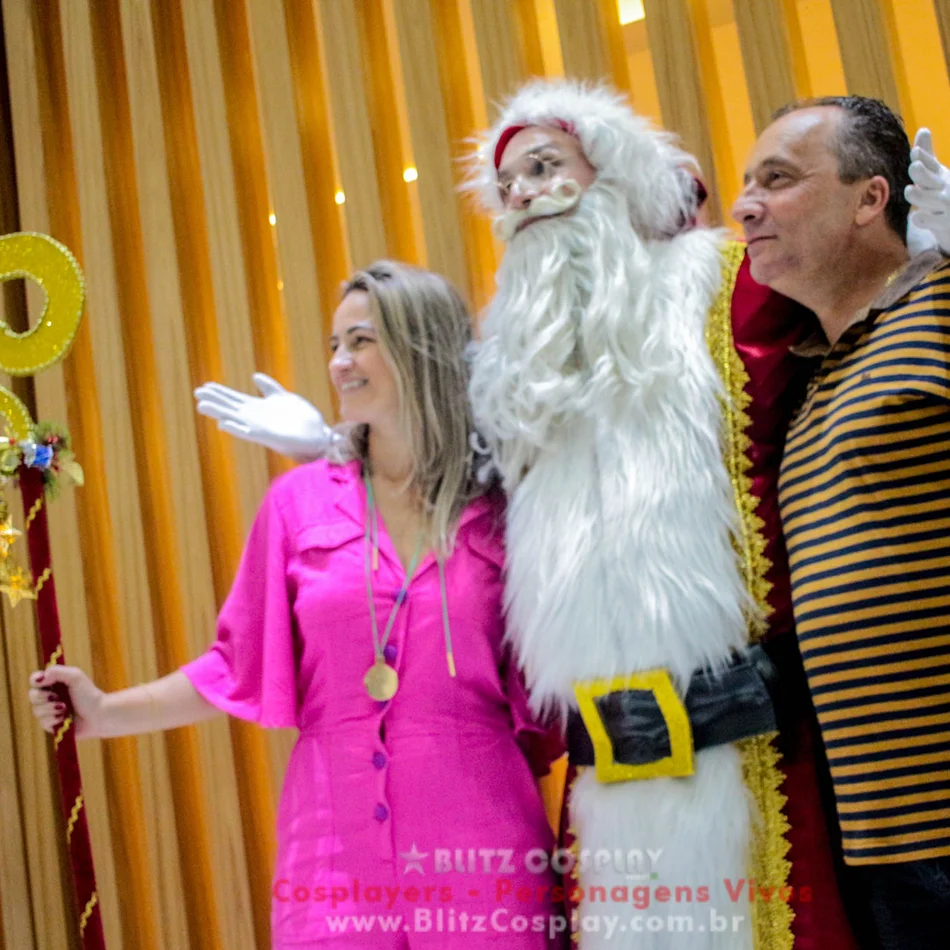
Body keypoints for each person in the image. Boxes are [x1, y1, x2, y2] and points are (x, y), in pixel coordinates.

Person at [191, 81, 950, 950]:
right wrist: (334, 442)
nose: (520, 196)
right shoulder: (513, 370)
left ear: (614, 174)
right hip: (604, 776)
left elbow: (857, 297)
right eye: (506, 184)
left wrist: (931, 256)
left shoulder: (723, 290)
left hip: (756, 757)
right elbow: (442, 476)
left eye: (545, 168)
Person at [29, 261, 567, 949]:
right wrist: (102, 713)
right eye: (334, 345)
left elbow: (562, 673)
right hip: (330, 847)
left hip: (481, 840)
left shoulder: (507, 508)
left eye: (362, 341)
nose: (340, 363)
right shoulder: (297, 504)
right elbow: (233, 666)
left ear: (422, 348)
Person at [733, 95, 950, 950]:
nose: (749, 205)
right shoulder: (812, 372)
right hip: (876, 836)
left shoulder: (939, 306)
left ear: (871, 198)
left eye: (779, 180)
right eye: (747, 184)